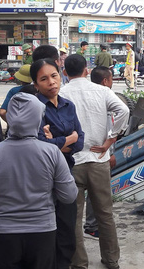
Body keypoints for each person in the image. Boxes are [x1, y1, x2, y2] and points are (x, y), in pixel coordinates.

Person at [0, 92, 78, 269]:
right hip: (42, 233)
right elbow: (69, 196)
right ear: (38, 118)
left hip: (1, 235)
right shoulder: (52, 153)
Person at [60, 55, 128, 269]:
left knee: (73, 217)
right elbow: (124, 110)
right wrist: (110, 139)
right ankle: (111, 259)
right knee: (104, 214)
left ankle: (79, 263)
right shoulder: (102, 91)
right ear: (86, 70)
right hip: (99, 159)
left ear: (64, 72)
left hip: (72, 161)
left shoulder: (61, 93)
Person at [31, 58, 84, 269]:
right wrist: (66, 140)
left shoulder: (68, 105)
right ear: (36, 85)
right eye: (44, 79)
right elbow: (38, 146)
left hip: (66, 174)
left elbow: (80, 140)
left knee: (67, 229)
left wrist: (58, 142)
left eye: (54, 76)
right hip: (41, 179)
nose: (51, 82)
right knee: (45, 231)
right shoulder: (34, 109)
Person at [83, 66, 120, 240]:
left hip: (87, 151)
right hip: (99, 152)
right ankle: (92, 225)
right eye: (111, 79)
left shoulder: (89, 95)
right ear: (105, 81)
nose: (112, 82)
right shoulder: (105, 97)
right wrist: (110, 149)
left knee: (92, 190)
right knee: (98, 193)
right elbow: (109, 127)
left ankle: (91, 224)